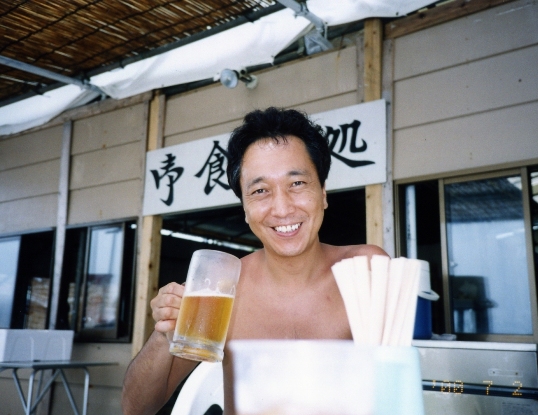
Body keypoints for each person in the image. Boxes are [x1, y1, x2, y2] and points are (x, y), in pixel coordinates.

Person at [121, 107, 388, 415]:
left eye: (297, 184)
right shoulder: (221, 288)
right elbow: (135, 409)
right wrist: (164, 333)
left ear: (323, 193)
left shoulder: (367, 270)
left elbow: (398, 386)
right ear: (245, 209)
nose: (282, 208)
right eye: (260, 190)